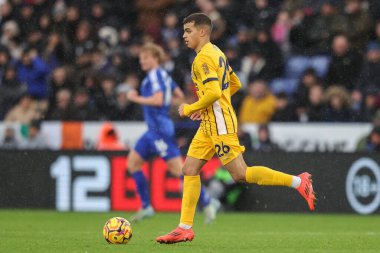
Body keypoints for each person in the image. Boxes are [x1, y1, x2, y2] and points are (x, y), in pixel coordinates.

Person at [156, 13, 315, 244]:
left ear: (202, 31)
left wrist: (192, 108)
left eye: (188, 31)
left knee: (240, 174)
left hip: (219, 122)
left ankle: (299, 182)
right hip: (210, 121)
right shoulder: (216, 52)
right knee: (189, 169)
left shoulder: (202, 59)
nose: (183, 35)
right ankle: (184, 227)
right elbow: (235, 84)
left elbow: (212, 92)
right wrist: (208, 106)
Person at [126, 42, 219, 223]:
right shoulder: (164, 76)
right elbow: (178, 95)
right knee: (133, 164)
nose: (142, 61)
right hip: (153, 130)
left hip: (160, 131)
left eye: (145, 58)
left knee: (180, 171)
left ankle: (208, 202)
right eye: (141, 58)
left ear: (155, 58)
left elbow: (159, 100)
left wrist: (135, 98)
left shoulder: (155, 76)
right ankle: (146, 207)